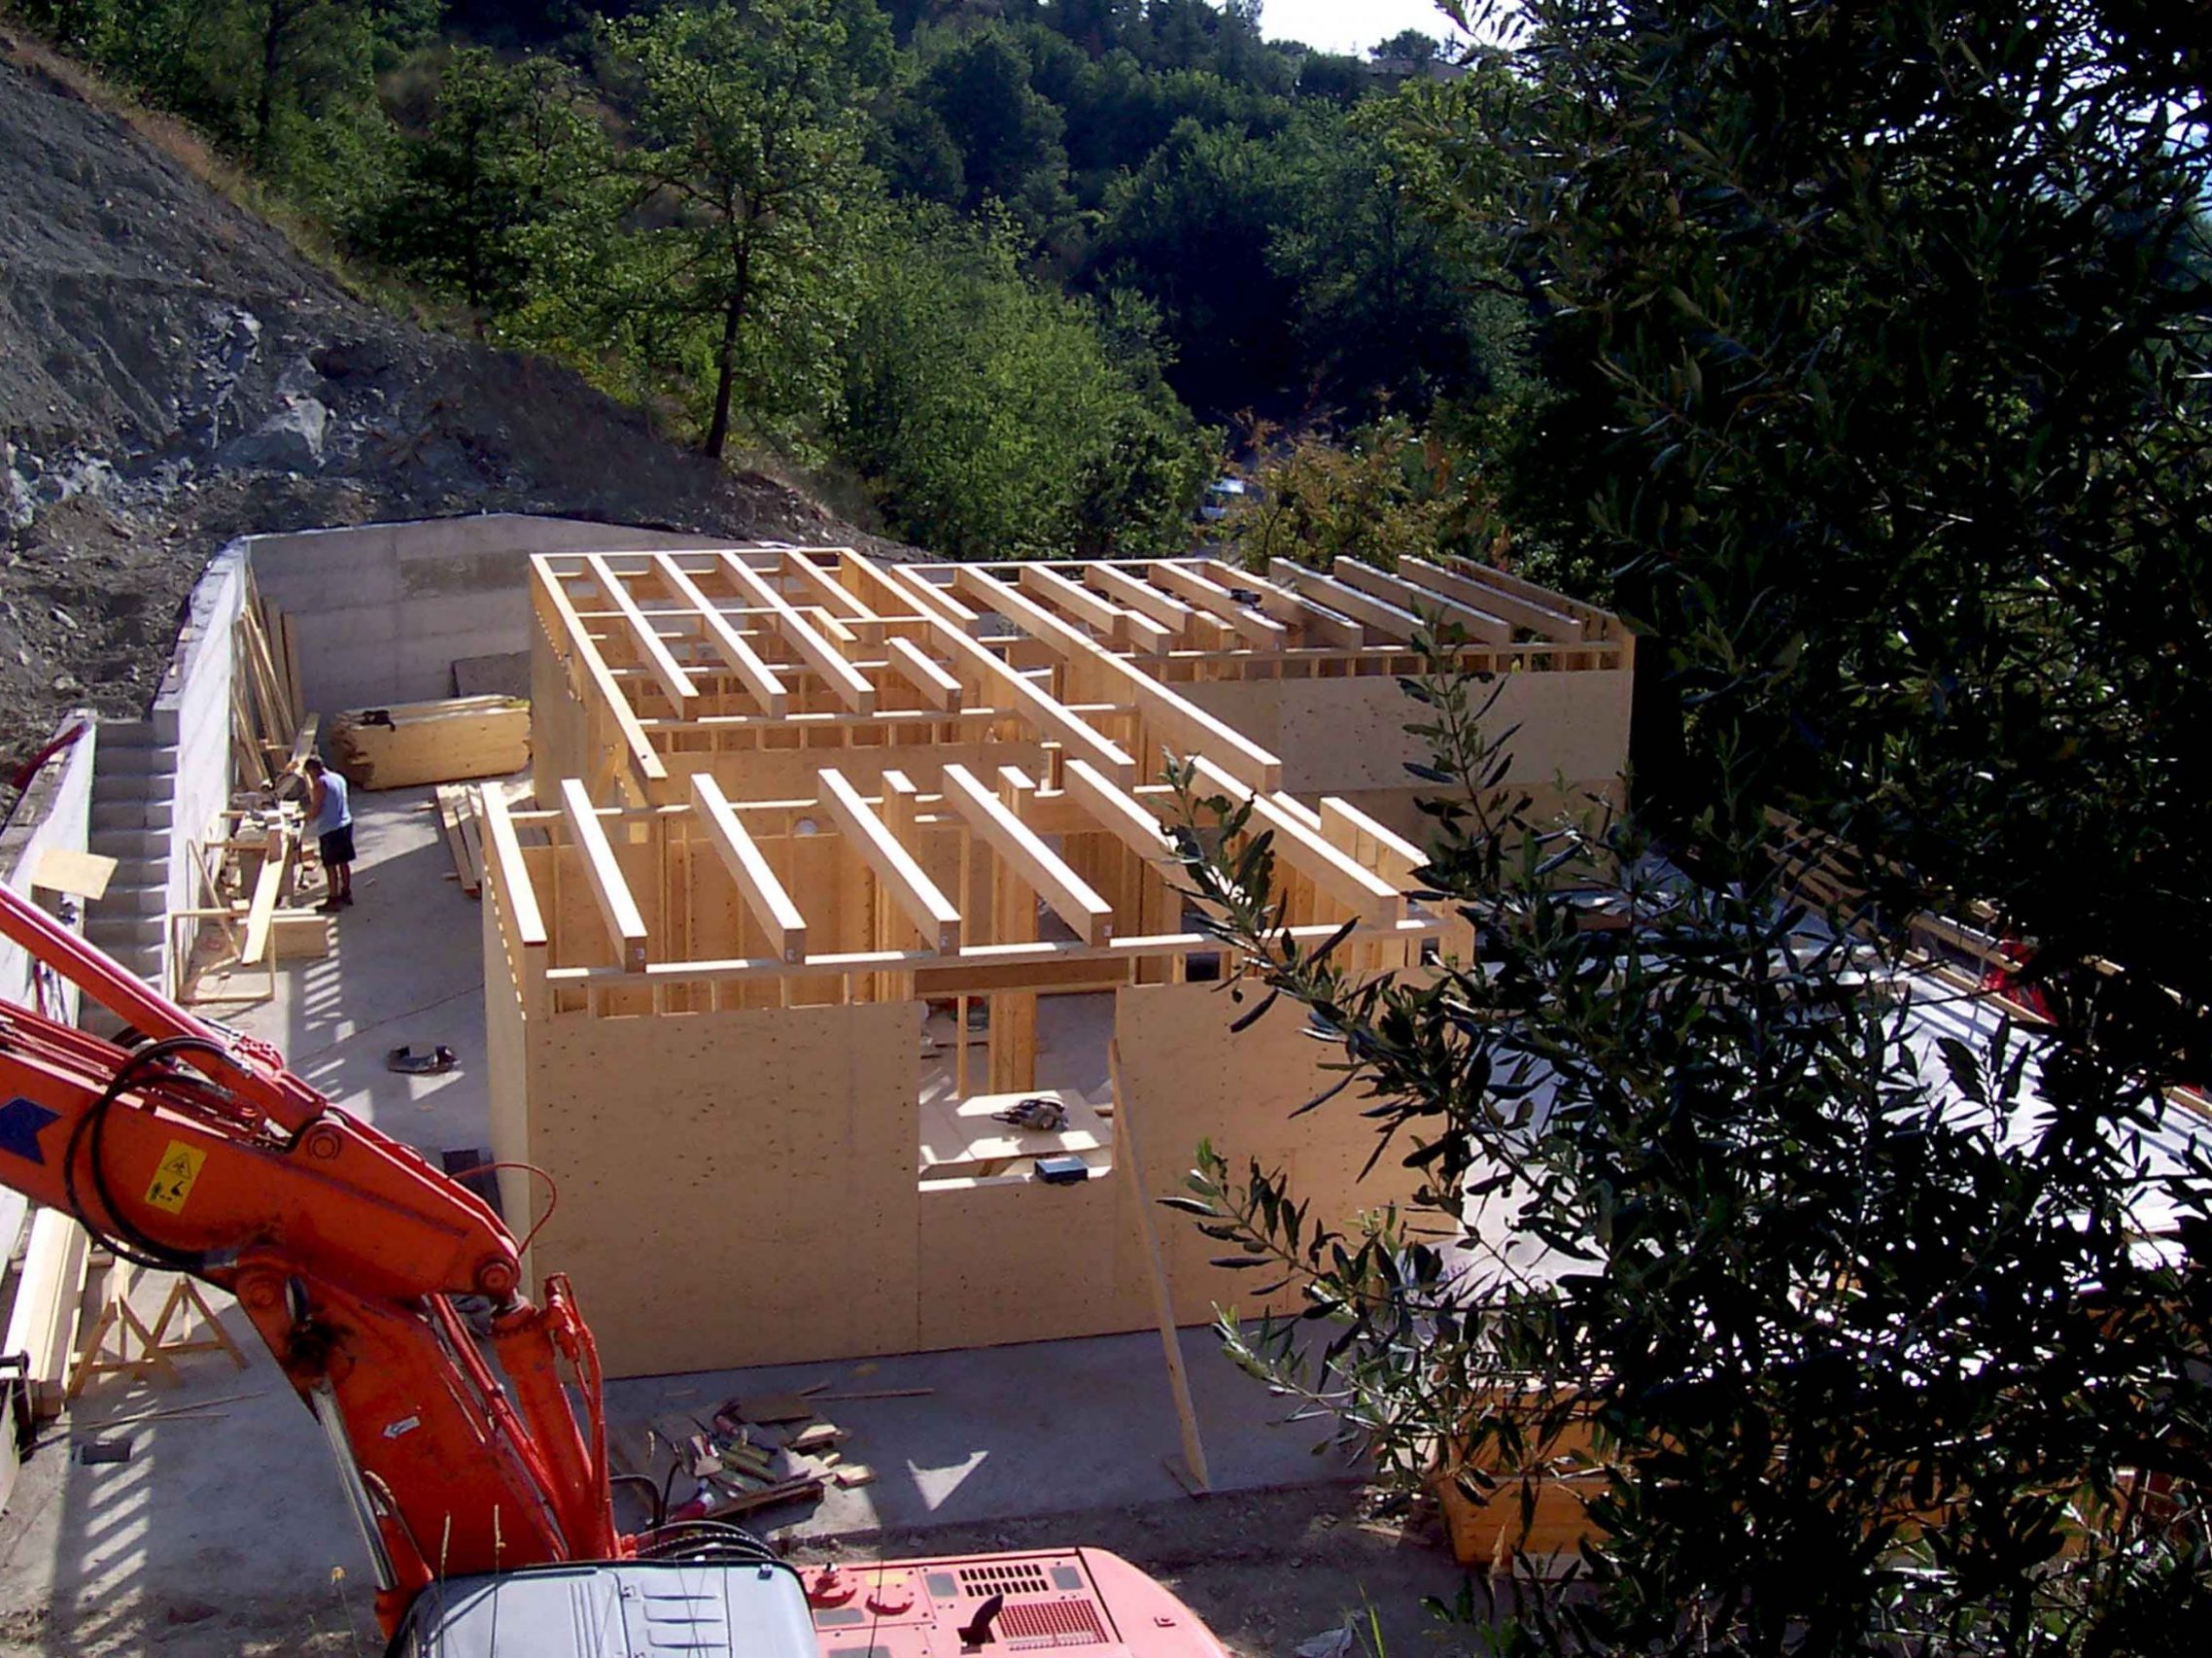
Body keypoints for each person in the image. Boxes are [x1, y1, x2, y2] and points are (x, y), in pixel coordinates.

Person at [301, 757, 355, 911]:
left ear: (312, 770)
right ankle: (346, 892)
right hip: (345, 822)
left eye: (310, 774)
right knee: (343, 861)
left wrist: (305, 817)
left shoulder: (320, 783)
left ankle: (333, 898)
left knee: (330, 864)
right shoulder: (338, 777)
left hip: (330, 828)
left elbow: (317, 807)